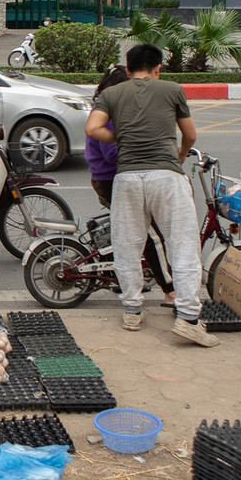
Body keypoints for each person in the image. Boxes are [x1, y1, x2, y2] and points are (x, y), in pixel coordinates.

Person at [85, 43, 218, 347]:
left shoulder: (111, 94)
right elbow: (190, 134)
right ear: (158, 68)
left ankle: (132, 311)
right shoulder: (172, 90)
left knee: (128, 245)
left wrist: (122, 136)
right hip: (165, 176)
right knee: (182, 244)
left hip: (126, 178)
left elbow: (93, 129)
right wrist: (181, 154)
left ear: (129, 68)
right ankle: (188, 318)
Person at [86, 64, 176, 307]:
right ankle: (171, 291)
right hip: (111, 181)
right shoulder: (109, 113)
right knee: (151, 236)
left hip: (113, 178)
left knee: (131, 232)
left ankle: (123, 278)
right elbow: (112, 154)